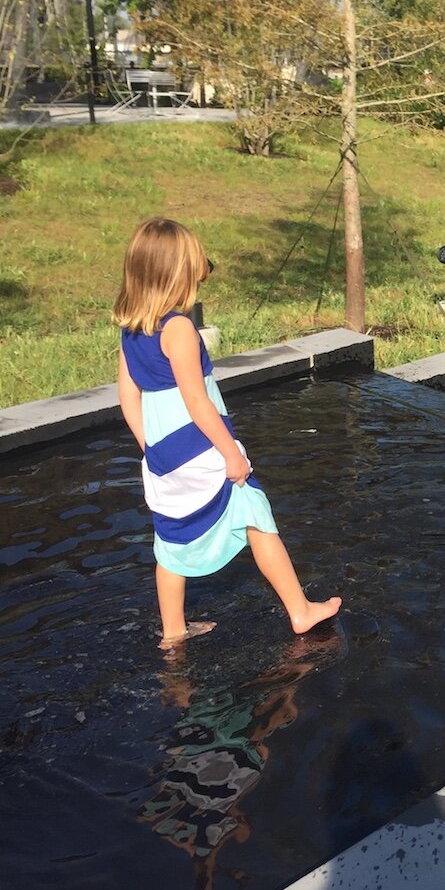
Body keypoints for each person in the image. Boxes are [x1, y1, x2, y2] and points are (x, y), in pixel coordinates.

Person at [114, 218, 341, 648]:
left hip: (163, 454)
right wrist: (230, 454)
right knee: (256, 514)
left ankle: (173, 632)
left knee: (170, 540)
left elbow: (128, 399)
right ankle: (300, 610)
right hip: (203, 446)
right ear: (177, 274)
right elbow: (197, 401)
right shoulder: (177, 328)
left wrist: (152, 449)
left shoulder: (131, 328)